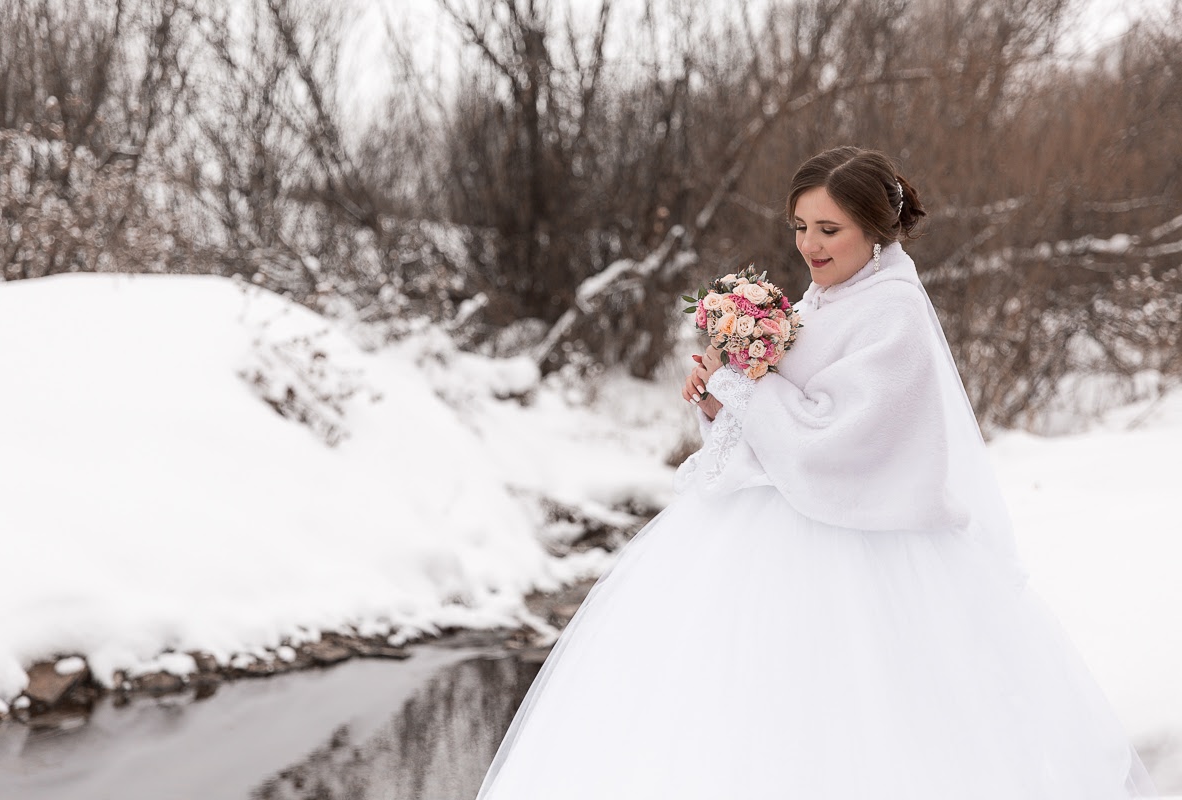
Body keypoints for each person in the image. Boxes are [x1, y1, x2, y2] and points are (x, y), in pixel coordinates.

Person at [474, 146, 1158, 799]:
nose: (810, 245)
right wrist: (721, 396)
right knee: (739, 717)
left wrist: (748, 384)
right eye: (800, 226)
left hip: (866, 549)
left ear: (875, 230)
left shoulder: (893, 310)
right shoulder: (820, 300)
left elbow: (839, 438)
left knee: (852, 721)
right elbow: (781, 427)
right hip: (776, 532)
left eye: (829, 228)